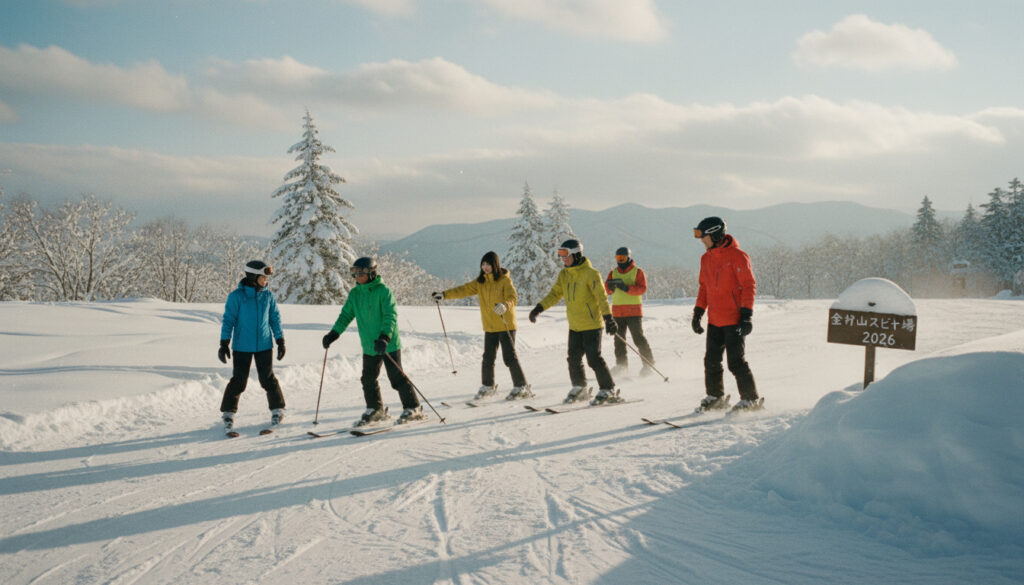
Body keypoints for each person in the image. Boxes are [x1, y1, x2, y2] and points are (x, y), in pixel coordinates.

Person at [322, 256, 424, 426]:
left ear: (371, 273)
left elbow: (390, 316)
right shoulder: (355, 293)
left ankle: (413, 407)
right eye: (354, 273)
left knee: (396, 378)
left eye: (360, 273)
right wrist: (333, 334)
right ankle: (375, 409)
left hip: (388, 343)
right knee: (368, 379)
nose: (356, 276)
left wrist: (384, 337)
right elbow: (346, 315)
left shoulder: (383, 291)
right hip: (369, 345)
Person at [528, 239, 621, 404]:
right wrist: (539, 308)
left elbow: (602, 298)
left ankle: (608, 389)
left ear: (576, 254)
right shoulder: (564, 275)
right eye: (560, 255)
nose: (563, 259)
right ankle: (580, 388)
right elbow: (555, 294)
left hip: (592, 325)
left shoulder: (591, 274)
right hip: (575, 325)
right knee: (573, 358)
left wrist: (608, 318)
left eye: (565, 255)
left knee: (594, 359)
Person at [431, 251, 532, 400]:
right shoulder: (481, 282)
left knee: (509, 357)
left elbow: (513, 298)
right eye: (483, 264)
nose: (485, 267)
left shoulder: (505, 280)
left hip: (506, 325)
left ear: (495, 265)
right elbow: (463, 290)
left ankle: (521, 387)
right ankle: (488, 386)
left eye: (488, 264)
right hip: (490, 327)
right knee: (488, 358)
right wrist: (444, 295)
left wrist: (505, 305)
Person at [690, 217, 761, 412]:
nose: (701, 241)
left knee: (736, 362)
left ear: (714, 234)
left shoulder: (738, 256)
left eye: (703, 236)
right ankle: (715, 397)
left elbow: (748, 286)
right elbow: (704, 288)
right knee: (711, 361)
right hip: (715, 320)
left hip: (734, 319)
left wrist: (746, 315)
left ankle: (750, 399)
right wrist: (698, 313)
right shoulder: (706, 258)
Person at [219, 260, 287, 430]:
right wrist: (224, 343)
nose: (266, 281)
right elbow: (228, 320)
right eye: (263, 277)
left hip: (264, 345)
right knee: (239, 381)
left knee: (268, 379)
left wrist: (280, 340)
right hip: (242, 346)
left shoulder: (268, 296)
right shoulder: (236, 297)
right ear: (252, 277)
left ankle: (278, 410)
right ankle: (228, 413)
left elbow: (274, 319)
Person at [604, 246, 655, 377]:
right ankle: (621, 366)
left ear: (629, 258)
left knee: (638, 338)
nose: (620, 261)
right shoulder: (613, 272)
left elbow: (642, 289)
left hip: (633, 312)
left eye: (623, 258)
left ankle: (648, 365)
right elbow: (607, 291)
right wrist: (610, 288)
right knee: (619, 341)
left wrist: (626, 288)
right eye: (618, 258)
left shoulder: (637, 272)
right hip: (617, 312)